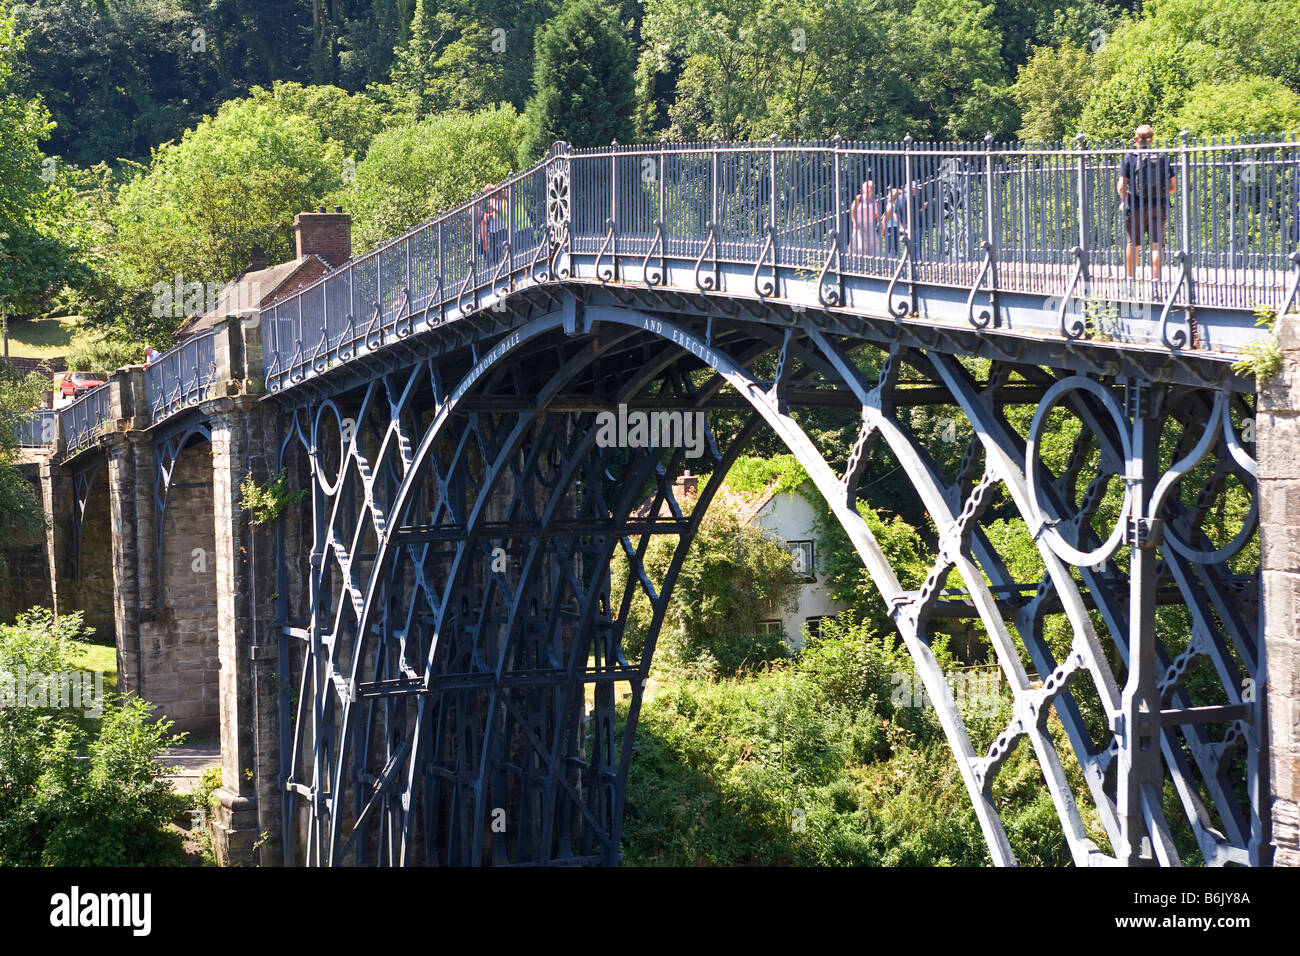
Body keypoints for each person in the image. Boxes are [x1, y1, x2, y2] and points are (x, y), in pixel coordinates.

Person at [1118, 124, 1176, 284]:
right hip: (1158, 207)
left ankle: (1130, 280)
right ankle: (1156, 283)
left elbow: (1121, 187)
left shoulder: (1130, 157)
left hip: (1136, 207)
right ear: (1152, 139)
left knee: (1133, 244)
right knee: (1156, 246)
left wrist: (1125, 200)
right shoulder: (1162, 158)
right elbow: (1173, 187)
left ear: (1136, 139)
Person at [849, 180, 880, 256]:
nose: (870, 189)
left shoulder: (875, 201)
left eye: (871, 187)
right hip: (860, 226)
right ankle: (858, 263)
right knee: (860, 246)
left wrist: (880, 224)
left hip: (871, 226)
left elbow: (877, 214)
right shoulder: (859, 198)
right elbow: (852, 210)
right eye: (868, 187)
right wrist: (854, 222)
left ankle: (873, 265)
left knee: (874, 247)